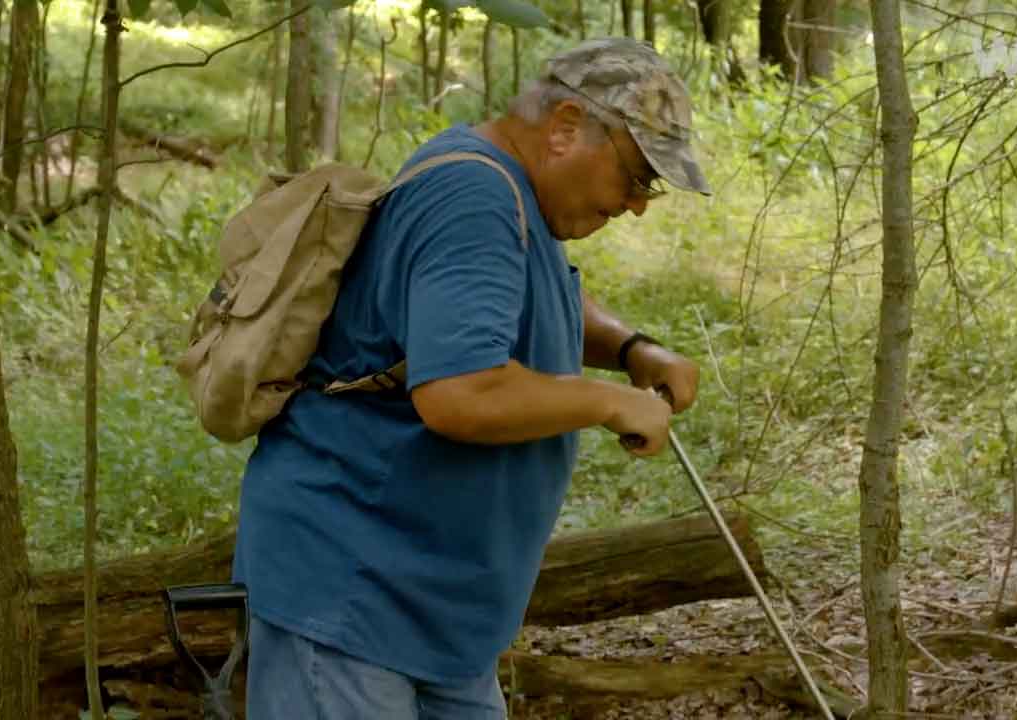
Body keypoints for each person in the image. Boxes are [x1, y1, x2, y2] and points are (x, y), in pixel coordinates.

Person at [233, 37, 711, 719]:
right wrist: (607, 401)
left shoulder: (517, 196)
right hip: (353, 593)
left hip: (437, 613)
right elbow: (460, 393)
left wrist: (632, 349)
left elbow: (524, 304)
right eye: (637, 175)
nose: (637, 204)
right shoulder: (470, 196)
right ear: (567, 127)